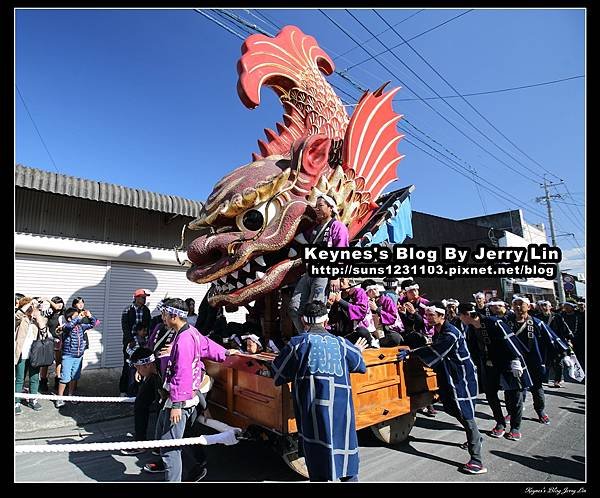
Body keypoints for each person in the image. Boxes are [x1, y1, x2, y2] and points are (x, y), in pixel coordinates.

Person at [271, 301, 368, 482]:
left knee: (317, 466)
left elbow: (277, 374)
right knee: (346, 464)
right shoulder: (342, 344)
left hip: (312, 415)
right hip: (341, 415)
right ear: (326, 321)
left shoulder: (297, 344)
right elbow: (359, 365)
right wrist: (357, 351)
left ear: (303, 321)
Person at [397, 301, 486, 475]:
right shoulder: (439, 330)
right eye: (427, 315)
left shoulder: (450, 334)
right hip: (449, 375)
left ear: (442, 316)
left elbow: (436, 350)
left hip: (461, 377)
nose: (428, 318)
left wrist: (411, 353)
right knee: (452, 408)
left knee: (465, 413)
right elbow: (432, 347)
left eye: (431, 315)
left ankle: (477, 460)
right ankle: (476, 437)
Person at [155, 298, 236, 482]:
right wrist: (224, 353)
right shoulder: (189, 332)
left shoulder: (184, 339)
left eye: (165, 314)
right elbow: (206, 344)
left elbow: (182, 372)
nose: (163, 318)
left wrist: (176, 404)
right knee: (179, 436)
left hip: (180, 400)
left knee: (169, 447)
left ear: (174, 316)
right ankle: (197, 465)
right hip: (186, 397)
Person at [458, 302, 532, 441]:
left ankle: (515, 427)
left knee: (514, 394)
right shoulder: (470, 328)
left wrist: (516, 359)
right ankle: (500, 423)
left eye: (460, 315)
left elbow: (510, 340)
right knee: (490, 394)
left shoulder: (494, 322)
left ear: (467, 315)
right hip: (488, 364)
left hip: (507, 363)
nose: (460, 318)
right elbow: (472, 348)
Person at [289, 194, 349, 334]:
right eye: (316, 206)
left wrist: (335, 276)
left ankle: (317, 340)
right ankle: (305, 337)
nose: (317, 209)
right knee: (294, 307)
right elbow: (299, 238)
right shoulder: (314, 228)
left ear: (331, 208)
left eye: (320, 206)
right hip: (309, 272)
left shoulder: (338, 227)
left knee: (316, 310)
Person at [504, 296, 569, 425]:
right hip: (515, 362)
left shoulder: (537, 323)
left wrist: (565, 353)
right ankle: (512, 412)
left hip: (534, 361)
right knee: (513, 390)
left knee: (537, 388)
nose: (517, 307)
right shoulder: (507, 322)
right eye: (515, 304)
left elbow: (551, 339)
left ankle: (540, 411)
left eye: (520, 304)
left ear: (528, 307)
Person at [120, 347, 164, 456]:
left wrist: (204, 406)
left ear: (146, 365)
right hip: (153, 374)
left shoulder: (165, 368)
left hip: (173, 384)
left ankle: (199, 461)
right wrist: (140, 370)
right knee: (140, 403)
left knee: (163, 410)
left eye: (137, 368)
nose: (136, 371)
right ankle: (141, 442)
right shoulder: (150, 367)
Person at [54, 307, 98, 408]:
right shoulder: (66, 326)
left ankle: (71, 395)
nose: (79, 317)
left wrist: (90, 316)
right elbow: (69, 326)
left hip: (78, 356)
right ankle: (59, 398)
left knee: (74, 377)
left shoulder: (81, 326)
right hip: (68, 356)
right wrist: (79, 317)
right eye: (75, 316)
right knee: (65, 377)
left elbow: (93, 324)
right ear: (69, 318)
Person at [15, 297, 48, 414]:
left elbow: (45, 335)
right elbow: (17, 316)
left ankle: (33, 399)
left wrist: (39, 318)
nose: (32, 309)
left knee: (34, 378)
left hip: (34, 355)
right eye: (30, 308)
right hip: (21, 354)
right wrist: (29, 303)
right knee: (19, 379)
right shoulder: (20, 319)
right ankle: (16, 402)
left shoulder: (38, 319)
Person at [535, 300, 574, 388]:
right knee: (544, 361)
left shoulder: (556, 317)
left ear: (550, 307)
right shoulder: (537, 318)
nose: (543, 307)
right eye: (541, 305)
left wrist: (568, 339)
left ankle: (558, 380)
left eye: (545, 305)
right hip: (543, 343)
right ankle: (544, 379)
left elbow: (564, 328)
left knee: (558, 362)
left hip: (556, 343)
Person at [120, 289, 152, 396]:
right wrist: (130, 340)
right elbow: (125, 327)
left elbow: (148, 326)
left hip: (142, 341)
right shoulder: (128, 310)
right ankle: (123, 390)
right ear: (136, 297)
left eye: (145, 297)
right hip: (130, 342)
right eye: (142, 297)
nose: (144, 299)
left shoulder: (146, 310)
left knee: (142, 365)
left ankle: (138, 390)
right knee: (128, 366)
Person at [331, 278, 378, 347]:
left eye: (342, 280)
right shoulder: (335, 294)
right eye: (338, 281)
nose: (340, 284)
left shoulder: (359, 292)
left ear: (348, 280)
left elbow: (361, 311)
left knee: (362, 331)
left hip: (355, 332)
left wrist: (341, 301)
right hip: (340, 334)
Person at [364, 281, 404, 346]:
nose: (374, 292)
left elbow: (392, 318)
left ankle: (377, 342)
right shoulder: (364, 302)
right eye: (370, 290)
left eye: (375, 289)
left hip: (385, 330)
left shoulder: (387, 300)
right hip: (368, 330)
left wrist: (377, 309)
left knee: (395, 338)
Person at [41, 296, 65, 393]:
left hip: (60, 340)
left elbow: (60, 308)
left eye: (61, 302)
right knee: (46, 362)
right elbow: (42, 316)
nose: (59, 304)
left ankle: (58, 380)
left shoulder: (64, 313)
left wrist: (48, 299)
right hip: (49, 339)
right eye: (57, 302)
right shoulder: (50, 312)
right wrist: (47, 302)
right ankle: (43, 381)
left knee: (58, 361)